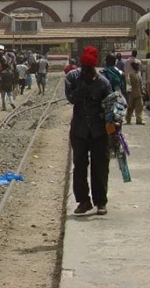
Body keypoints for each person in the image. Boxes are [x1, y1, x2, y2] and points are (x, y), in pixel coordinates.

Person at [65, 46, 113, 216]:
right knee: (79, 167)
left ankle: (100, 201)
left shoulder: (103, 82)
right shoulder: (72, 78)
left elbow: (111, 106)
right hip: (79, 130)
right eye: (84, 67)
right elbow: (71, 98)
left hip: (99, 132)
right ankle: (84, 201)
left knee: (100, 167)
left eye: (89, 68)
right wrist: (82, 88)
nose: (86, 71)